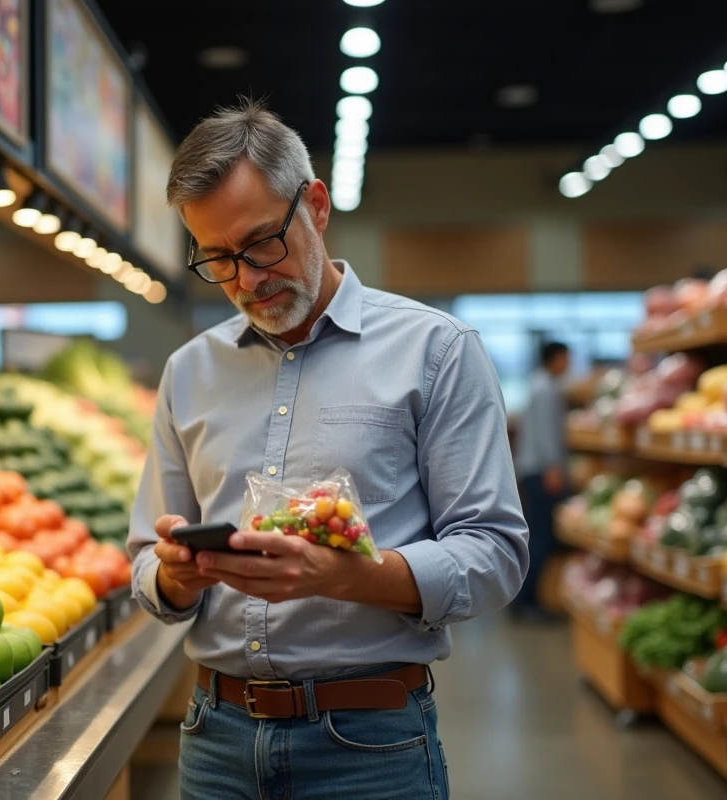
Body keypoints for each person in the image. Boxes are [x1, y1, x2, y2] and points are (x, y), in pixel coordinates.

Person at [127, 99, 528, 800]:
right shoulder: (188, 371)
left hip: (369, 747)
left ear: (315, 205)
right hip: (214, 741)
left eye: (261, 245)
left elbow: (494, 553)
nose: (248, 280)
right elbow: (143, 564)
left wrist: (347, 577)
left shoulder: (435, 351)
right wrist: (173, 579)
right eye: (219, 260)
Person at [511, 341, 571, 619]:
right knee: (542, 538)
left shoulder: (538, 384)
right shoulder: (547, 388)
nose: (568, 363)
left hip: (532, 469)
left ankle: (524, 600)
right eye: (565, 358)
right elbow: (547, 434)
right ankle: (527, 602)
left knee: (536, 535)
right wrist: (554, 469)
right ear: (555, 358)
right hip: (542, 472)